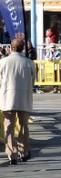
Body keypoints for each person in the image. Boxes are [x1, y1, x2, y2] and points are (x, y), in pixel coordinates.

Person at [0, 36, 35, 165]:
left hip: (7, 98)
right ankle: (24, 151)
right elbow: (33, 80)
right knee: (24, 125)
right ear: (22, 49)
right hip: (24, 98)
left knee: (8, 126)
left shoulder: (3, 62)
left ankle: (11, 153)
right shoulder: (29, 62)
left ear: (11, 47)